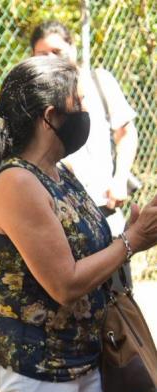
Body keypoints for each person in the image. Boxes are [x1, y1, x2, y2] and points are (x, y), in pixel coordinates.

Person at [0, 56, 157, 392]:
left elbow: (86, 247)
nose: (86, 114)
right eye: (79, 104)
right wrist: (132, 241)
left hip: (84, 352)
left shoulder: (58, 172)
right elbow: (64, 283)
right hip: (37, 361)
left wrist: (125, 233)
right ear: (51, 116)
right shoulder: (18, 182)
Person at [31, 20, 139, 236]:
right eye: (42, 54)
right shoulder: (33, 97)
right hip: (60, 218)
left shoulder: (100, 82)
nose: (51, 59)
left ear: (72, 47)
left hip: (104, 210)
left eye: (57, 51)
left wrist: (119, 179)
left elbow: (126, 133)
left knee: (117, 264)